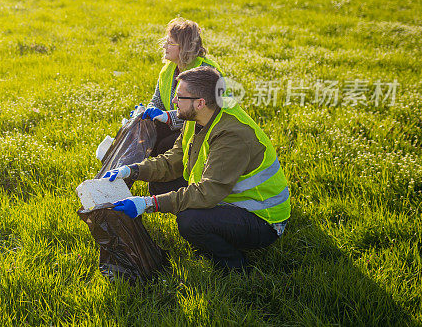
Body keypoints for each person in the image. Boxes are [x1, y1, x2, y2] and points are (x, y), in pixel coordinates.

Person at [103, 66, 290, 272]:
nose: (173, 101)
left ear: (200, 103)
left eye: (180, 96)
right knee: (159, 184)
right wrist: (133, 170)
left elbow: (207, 193)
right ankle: (210, 234)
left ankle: (234, 265)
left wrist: (147, 204)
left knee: (190, 220)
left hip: (263, 219)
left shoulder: (232, 136)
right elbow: (174, 160)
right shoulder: (197, 117)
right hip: (226, 197)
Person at [140, 18, 222, 158]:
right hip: (179, 126)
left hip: (203, 130)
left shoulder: (205, 71)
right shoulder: (168, 70)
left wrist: (168, 117)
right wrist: (146, 112)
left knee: (164, 146)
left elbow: (203, 114)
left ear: (185, 47)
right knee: (144, 135)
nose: (164, 46)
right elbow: (157, 101)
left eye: (170, 43)